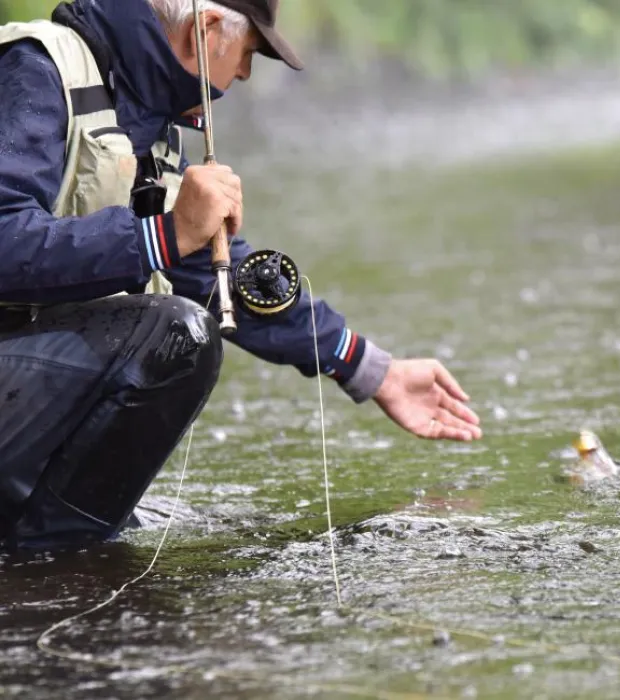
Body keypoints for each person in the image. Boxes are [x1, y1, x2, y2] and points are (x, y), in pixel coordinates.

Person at [0, 0, 482, 549]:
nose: (247, 72)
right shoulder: (36, 70)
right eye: (249, 51)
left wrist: (371, 368)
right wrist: (161, 235)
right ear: (206, 30)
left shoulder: (144, 120)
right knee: (178, 335)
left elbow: (225, 279)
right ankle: (48, 556)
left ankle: (53, 548)